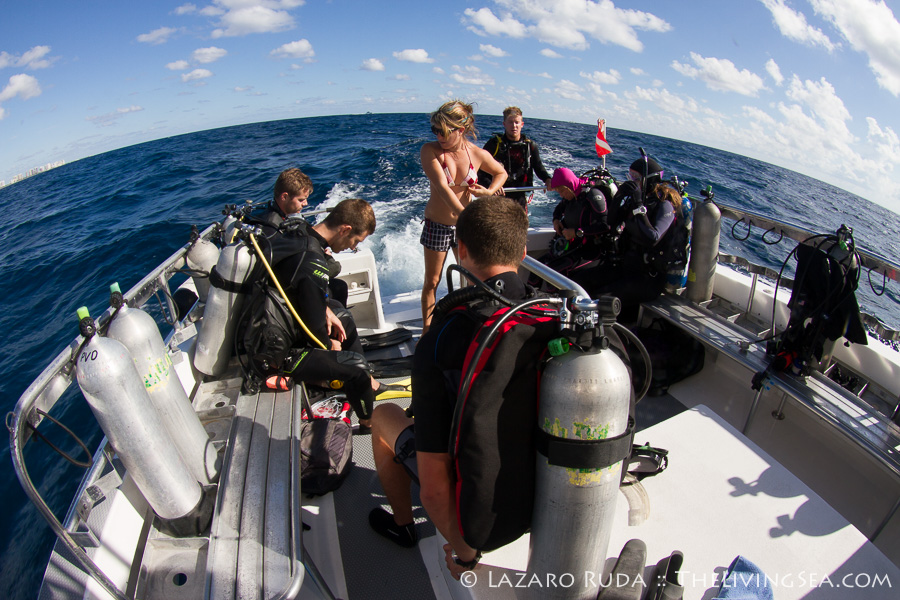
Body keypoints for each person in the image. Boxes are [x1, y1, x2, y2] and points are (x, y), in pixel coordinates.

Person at [369, 196, 529, 578]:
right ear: (522, 253)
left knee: (383, 414)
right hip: (536, 485)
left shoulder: (441, 341)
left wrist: (464, 554)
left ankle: (403, 525)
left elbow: (435, 491)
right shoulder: (547, 313)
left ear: (461, 250)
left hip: (479, 510)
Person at [245, 168, 380, 430]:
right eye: (355, 240)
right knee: (355, 367)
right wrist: (330, 346)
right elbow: (314, 330)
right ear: (345, 229)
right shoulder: (312, 262)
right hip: (276, 354)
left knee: (342, 319)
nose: (354, 247)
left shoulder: (301, 236)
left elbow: (302, 295)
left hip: (281, 326)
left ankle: (366, 382)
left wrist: (326, 308)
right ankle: (369, 423)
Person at [419, 100, 507, 333]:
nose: (438, 136)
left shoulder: (477, 153)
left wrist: (489, 192)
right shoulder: (430, 150)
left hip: (463, 226)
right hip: (438, 225)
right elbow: (442, 187)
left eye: (443, 131)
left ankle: (466, 325)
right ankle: (427, 331)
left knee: (473, 279)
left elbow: (501, 172)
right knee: (432, 281)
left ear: (461, 129)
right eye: (435, 130)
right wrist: (466, 217)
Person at [585, 156, 680, 319]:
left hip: (647, 278)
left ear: (650, 180)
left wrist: (638, 204)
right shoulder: (635, 201)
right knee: (581, 282)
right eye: (630, 176)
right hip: (626, 267)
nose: (632, 181)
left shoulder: (664, 205)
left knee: (599, 300)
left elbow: (653, 238)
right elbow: (611, 223)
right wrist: (618, 197)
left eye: (636, 178)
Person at [533, 167, 615, 288]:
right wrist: (556, 220)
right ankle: (531, 297)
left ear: (569, 186)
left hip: (591, 251)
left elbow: (605, 225)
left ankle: (554, 300)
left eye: (562, 191)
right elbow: (558, 209)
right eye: (559, 192)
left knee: (556, 273)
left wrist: (577, 232)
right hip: (573, 247)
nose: (561, 195)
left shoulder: (592, 195)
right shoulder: (571, 196)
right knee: (536, 268)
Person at [477, 106, 552, 210]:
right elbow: (480, 171)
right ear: (504, 124)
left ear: (522, 124)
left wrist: (547, 179)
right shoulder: (493, 145)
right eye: (510, 122)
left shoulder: (530, 146)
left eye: (517, 122)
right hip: (497, 196)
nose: (514, 126)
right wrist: (492, 186)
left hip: (519, 196)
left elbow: (538, 167)